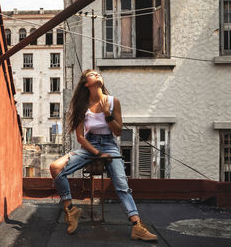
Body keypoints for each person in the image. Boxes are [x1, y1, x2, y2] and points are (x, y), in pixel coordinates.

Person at [49, 69, 158, 241]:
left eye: (98, 73)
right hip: (90, 146)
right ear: (86, 83)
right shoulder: (82, 107)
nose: (97, 74)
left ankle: (137, 226)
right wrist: (98, 153)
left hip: (109, 143)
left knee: (122, 185)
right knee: (56, 168)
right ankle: (71, 210)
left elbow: (118, 131)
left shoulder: (114, 102)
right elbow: (80, 137)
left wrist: (107, 113)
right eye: (92, 74)